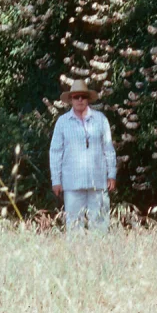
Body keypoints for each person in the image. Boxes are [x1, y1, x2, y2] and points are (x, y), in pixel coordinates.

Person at [49, 78, 117, 231]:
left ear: (88, 99)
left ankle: (99, 254)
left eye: (83, 96)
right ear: (71, 99)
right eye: (76, 96)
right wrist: (56, 180)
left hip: (97, 181)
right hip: (72, 182)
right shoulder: (62, 122)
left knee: (100, 225)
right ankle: (76, 254)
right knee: (73, 226)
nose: (80, 99)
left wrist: (112, 173)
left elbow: (108, 148)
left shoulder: (100, 120)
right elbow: (55, 152)